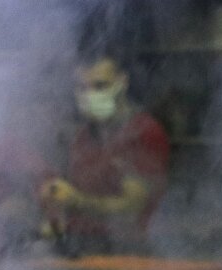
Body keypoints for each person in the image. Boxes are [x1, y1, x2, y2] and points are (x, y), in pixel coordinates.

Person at [41, 54, 170, 254]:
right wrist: (58, 216)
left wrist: (77, 200)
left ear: (122, 82)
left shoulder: (143, 132)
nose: (89, 95)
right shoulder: (84, 135)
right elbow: (79, 196)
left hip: (127, 253)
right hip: (81, 250)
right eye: (82, 88)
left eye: (100, 86)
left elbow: (132, 209)